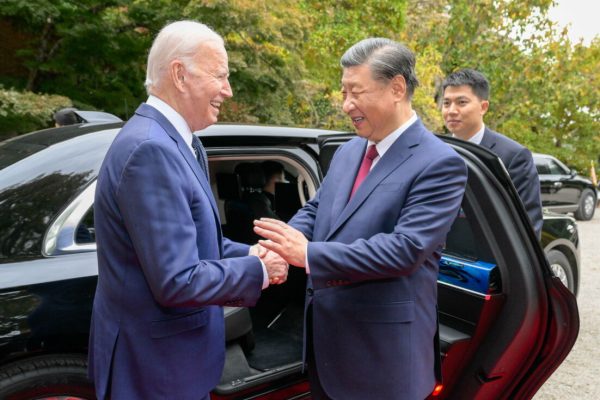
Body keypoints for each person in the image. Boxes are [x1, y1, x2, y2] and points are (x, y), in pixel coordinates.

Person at [254, 38, 468, 399]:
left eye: (356, 92)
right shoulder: (350, 149)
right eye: (343, 92)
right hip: (327, 347)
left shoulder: (439, 163)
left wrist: (307, 255)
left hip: (383, 359)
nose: (346, 105)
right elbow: (319, 209)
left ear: (397, 88)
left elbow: (405, 250)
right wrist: (281, 243)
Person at [88, 20, 288, 400]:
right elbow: (176, 280)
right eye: (220, 76)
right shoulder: (152, 150)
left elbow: (194, 242)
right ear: (179, 75)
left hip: (167, 362)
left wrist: (249, 251)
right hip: (155, 370)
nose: (228, 90)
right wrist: (260, 270)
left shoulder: (182, 142)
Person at [441, 68, 543, 238]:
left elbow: (529, 225)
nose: (451, 110)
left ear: (483, 107)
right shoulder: (435, 149)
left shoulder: (513, 156)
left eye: (462, 102)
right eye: (446, 103)